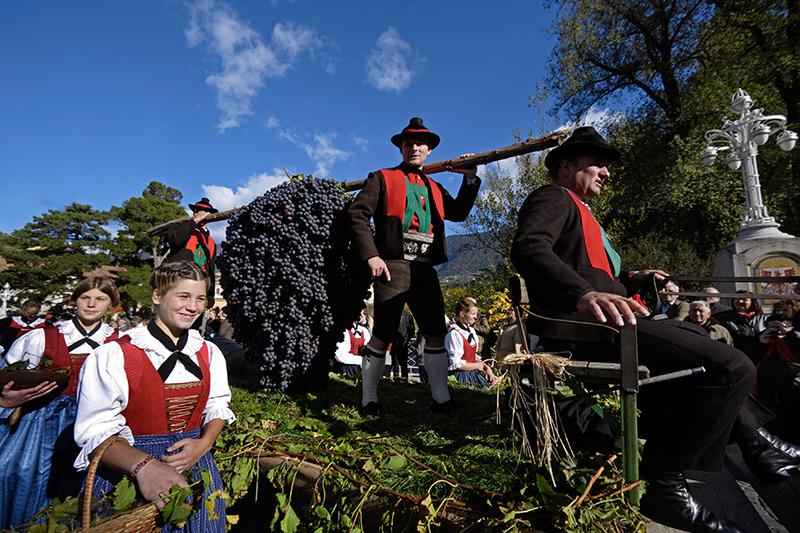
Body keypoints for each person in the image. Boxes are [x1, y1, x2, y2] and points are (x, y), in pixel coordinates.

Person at [510, 126, 800, 533]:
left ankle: (756, 444)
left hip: (613, 323)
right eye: (598, 163)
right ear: (564, 166)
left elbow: (595, 274)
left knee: (702, 343)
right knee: (732, 366)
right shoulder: (552, 197)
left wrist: (634, 278)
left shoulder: (581, 210)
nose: (606, 173)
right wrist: (583, 296)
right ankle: (668, 485)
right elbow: (529, 247)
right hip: (590, 330)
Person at [74, 261, 234, 532]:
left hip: (197, 467)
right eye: (183, 296)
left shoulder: (208, 352)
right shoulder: (114, 355)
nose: (193, 307)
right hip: (128, 472)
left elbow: (218, 405)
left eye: (200, 298)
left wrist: (204, 443)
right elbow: (94, 431)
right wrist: (144, 467)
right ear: (157, 296)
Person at [348, 116, 481, 415]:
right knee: (382, 332)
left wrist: (469, 177)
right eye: (408, 143)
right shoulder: (381, 177)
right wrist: (371, 254)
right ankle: (369, 399)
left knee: (434, 332)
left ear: (430, 149)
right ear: (401, 148)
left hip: (425, 269)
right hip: (392, 265)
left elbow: (458, 213)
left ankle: (441, 399)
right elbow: (357, 213)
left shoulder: (434, 187)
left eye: (420, 143)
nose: (414, 148)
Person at [0, 277, 119, 529]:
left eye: (100, 299)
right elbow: (7, 375)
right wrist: (7, 399)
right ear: (74, 300)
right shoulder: (41, 337)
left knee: (83, 487)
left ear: (110, 305)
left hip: (94, 424)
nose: (91, 304)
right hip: (41, 422)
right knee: (20, 476)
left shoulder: (118, 342)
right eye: (85, 297)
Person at [755, 300, 800, 442]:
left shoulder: (795, 333)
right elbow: (755, 357)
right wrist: (761, 341)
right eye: (778, 310)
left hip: (793, 385)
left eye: (785, 310)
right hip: (770, 386)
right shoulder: (765, 332)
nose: (780, 313)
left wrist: (789, 335)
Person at [165, 197, 219, 306]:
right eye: (197, 211)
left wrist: (210, 294)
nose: (199, 213)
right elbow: (175, 240)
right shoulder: (179, 228)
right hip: (177, 284)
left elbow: (211, 269)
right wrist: (195, 221)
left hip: (198, 289)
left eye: (204, 212)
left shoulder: (212, 242)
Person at [445, 298, 497, 388]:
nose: (476, 317)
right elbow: (456, 364)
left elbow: (473, 356)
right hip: (461, 376)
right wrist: (478, 365)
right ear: (462, 314)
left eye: (476, 314)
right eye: (473, 314)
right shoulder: (454, 334)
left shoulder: (471, 331)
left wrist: (486, 368)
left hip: (473, 373)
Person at [716, 292, 768, 361]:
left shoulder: (764, 319)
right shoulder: (723, 317)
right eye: (737, 299)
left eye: (744, 299)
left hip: (762, 358)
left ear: (752, 302)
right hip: (735, 357)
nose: (740, 301)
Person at [334, 310, 373, 377]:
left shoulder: (364, 330)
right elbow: (340, 355)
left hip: (362, 368)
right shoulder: (344, 331)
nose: (361, 315)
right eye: (359, 312)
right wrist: (361, 360)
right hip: (347, 369)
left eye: (363, 313)